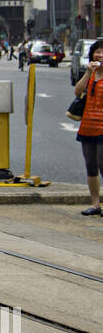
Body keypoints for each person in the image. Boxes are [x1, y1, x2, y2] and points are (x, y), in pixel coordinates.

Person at [74, 39, 103, 216]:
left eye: (102, 52)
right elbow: (78, 92)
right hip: (88, 126)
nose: (99, 55)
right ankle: (95, 204)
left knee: (102, 163)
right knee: (91, 165)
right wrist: (88, 73)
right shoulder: (91, 75)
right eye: (97, 52)